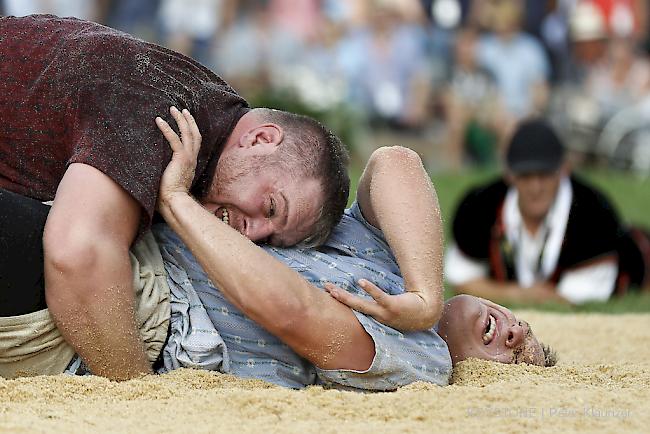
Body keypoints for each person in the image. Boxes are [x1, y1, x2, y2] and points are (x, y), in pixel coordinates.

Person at [0, 119, 555, 387]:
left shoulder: (421, 364)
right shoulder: (391, 260)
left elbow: (295, 312)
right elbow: (394, 160)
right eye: (524, 331)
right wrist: (425, 296)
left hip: (137, 313)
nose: (512, 334)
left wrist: (177, 201)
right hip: (114, 241)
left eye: (514, 354)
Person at [0, 14, 349, 380]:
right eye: (271, 207)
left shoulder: (208, 107)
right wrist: (140, 391)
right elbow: (78, 253)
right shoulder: (167, 117)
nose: (253, 234)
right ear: (261, 139)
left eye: (270, 239)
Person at [445, 118, 647, 305]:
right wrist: (520, 294)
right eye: (525, 176)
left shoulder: (594, 214)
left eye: (545, 175)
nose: (535, 187)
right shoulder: (480, 208)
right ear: (509, 174)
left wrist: (493, 290)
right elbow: (462, 282)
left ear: (564, 169)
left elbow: (575, 299)